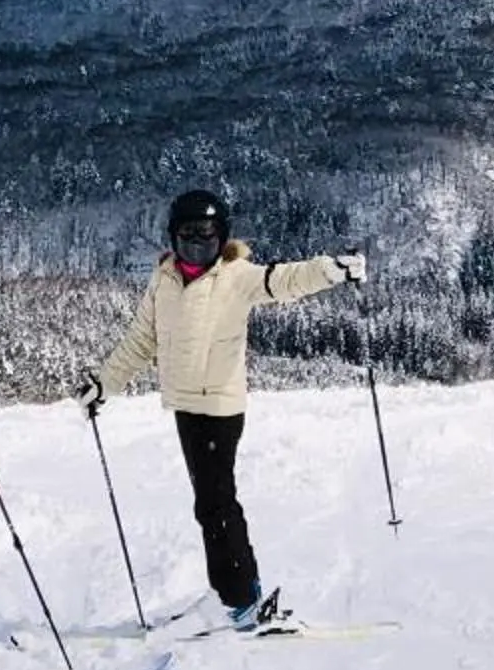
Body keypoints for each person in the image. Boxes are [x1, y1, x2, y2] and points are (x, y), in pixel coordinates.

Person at [80, 187, 364, 627]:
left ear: (222, 240)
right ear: (173, 238)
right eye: (188, 237)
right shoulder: (165, 280)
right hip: (184, 406)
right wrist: (103, 385)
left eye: (206, 239)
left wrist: (332, 271)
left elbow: (285, 279)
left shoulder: (237, 276)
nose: (196, 247)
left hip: (220, 407)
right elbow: (141, 339)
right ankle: (236, 593)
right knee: (210, 501)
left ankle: (242, 599)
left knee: (215, 502)